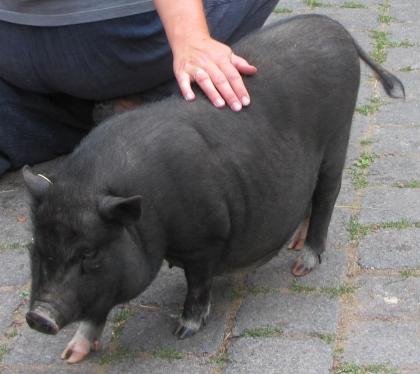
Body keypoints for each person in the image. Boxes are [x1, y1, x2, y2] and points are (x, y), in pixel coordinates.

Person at [0, 0, 278, 177]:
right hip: (109, 40)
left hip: (13, 47)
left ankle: (40, 116)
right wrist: (192, 39)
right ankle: (145, 112)